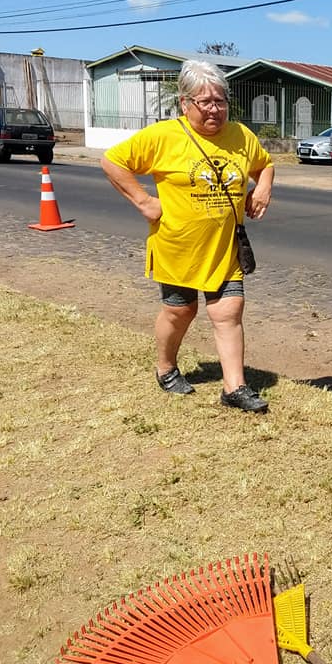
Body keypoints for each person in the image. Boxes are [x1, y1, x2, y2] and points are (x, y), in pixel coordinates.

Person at [101, 59, 275, 414]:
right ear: (185, 103)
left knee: (229, 311)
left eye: (220, 101)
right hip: (178, 247)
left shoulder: (241, 136)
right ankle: (165, 368)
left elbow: (265, 163)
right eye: (205, 102)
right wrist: (143, 200)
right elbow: (112, 161)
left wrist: (263, 190)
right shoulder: (164, 136)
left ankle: (234, 388)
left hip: (224, 248)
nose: (215, 109)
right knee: (181, 311)